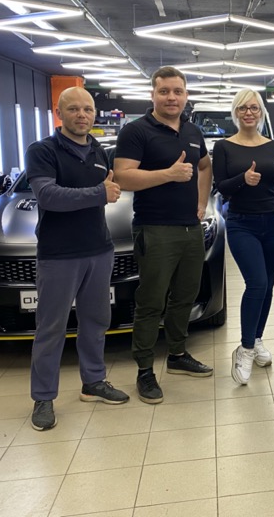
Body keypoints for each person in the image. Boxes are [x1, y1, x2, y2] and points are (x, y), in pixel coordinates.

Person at [26, 86, 129, 431]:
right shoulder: (42, 150)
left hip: (99, 249)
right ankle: (43, 397)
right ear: (59, 113)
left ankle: (93, 382)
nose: (82, 115)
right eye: (73, 109)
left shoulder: (99, 150)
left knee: (96, 321)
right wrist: (99, 193)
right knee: (51, 328)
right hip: (59, 254)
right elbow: (48, 195)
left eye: (87, 109)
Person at [114, 66, 214, 404]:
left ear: (186, 95)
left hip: (190, 229)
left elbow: (204, 166)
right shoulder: (136, 131)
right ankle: (144, 370)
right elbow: (123, 177)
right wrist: (168, 174)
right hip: (155, 228)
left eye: (177, 91)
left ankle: (177, 354)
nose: (171, 97)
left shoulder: (193, 131)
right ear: (153, 94)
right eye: (164, 91)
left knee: (185, 296)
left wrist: (201, 202)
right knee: (151, 301)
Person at [213, 89, 274, 385]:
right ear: (235, 113)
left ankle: (257, 337)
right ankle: (245, 348)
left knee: (268, 285)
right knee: (257, 283)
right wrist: (243, 179)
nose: (248, 113)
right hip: (241, 223)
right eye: (242, 108)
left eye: (253, 108)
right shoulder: (224, 147)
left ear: (261, 112)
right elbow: (221, 187)